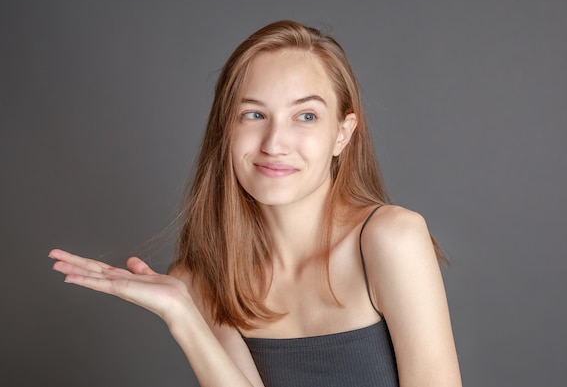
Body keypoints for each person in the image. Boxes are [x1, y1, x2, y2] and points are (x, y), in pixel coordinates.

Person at [49, 20, 462, 387]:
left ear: (343, 132)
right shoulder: (203, 278)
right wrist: (184, 316)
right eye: (253, 115)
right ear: (225, 129)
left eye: (306, 117)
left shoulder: (392, 238)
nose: (275, 143)